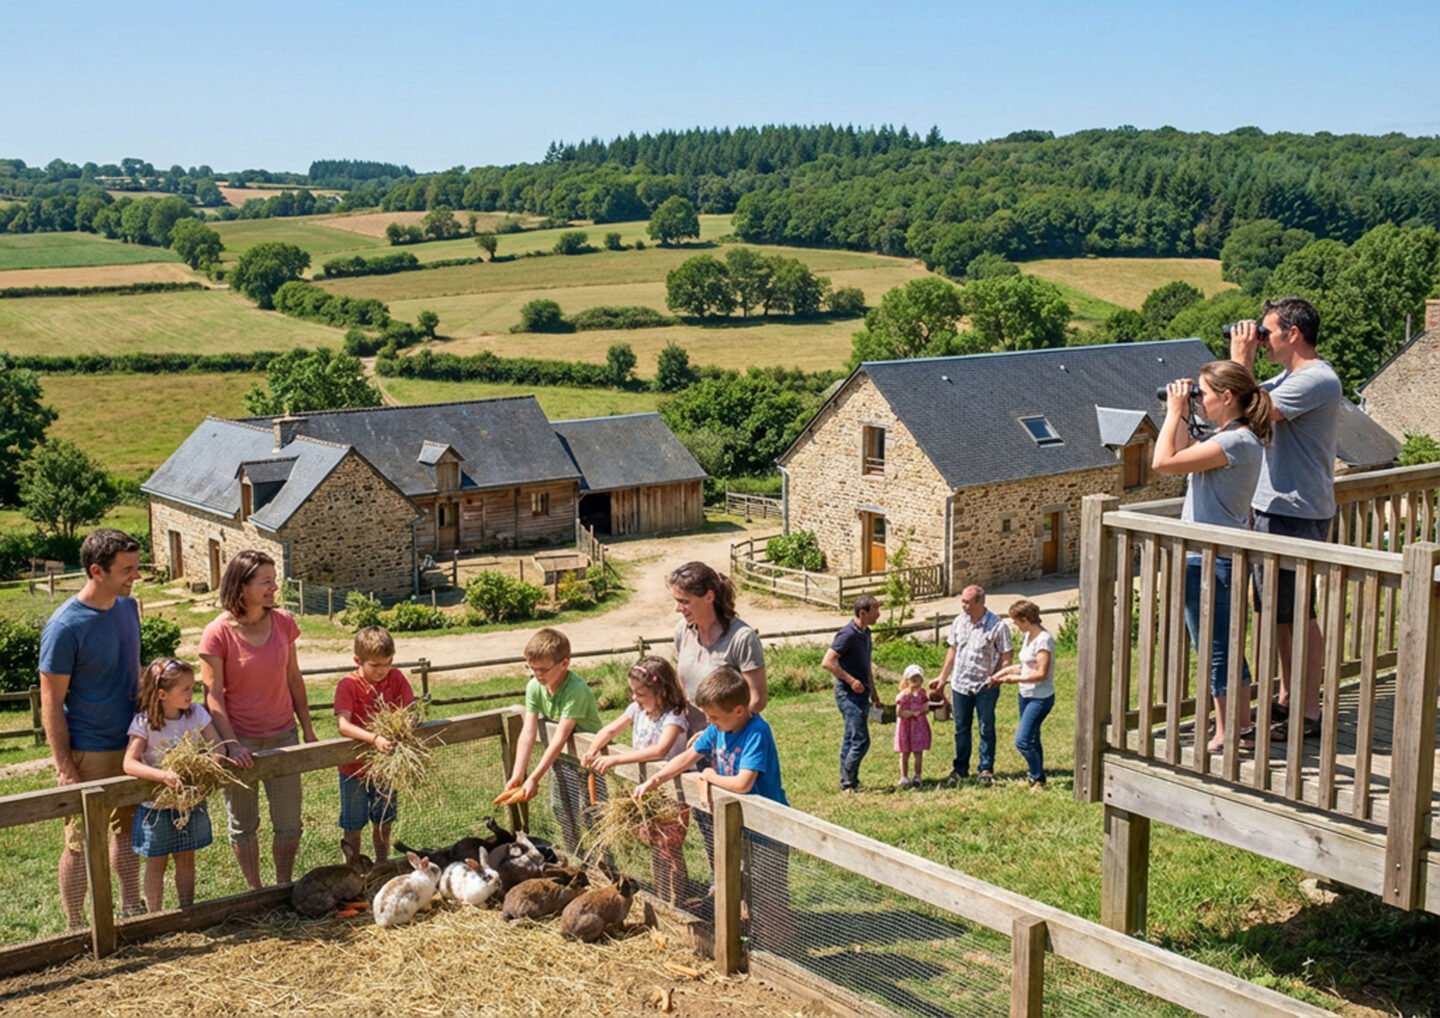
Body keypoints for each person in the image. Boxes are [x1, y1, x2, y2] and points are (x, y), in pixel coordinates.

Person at [1230, 297, 1341, 743]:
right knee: (1278, 613)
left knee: (1296, 614)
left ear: (1293, 333)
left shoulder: (1316, 379)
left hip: (1294, 511)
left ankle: (1306, 710)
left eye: (1267, 332)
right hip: (1276, 510)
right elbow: (1241, 403)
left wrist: (1241, 361)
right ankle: (1288, 697)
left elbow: (1253, 411)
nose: (1263, 340)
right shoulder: (1289, 377)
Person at [1151, 361, 1271, 752]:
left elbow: (1163, 461)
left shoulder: (1235, 442)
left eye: (1203, 394)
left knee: (1217, 648)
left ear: (1227, 397)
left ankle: (1227, 733)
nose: (1198, 400)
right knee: (1227, 645)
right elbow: (1182, 450)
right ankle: (1241, 726)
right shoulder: (1232, 438)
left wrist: (1173, 412)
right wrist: (1184, 412)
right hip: (1217, 556)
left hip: (1211, 559)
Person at [38, 528, 146, 924]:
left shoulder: (125, 607)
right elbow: (51, 701)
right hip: (89, 750)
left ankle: (132, 908)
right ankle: (74, 925)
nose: (136, 576)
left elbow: (132, 668)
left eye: (136, 567)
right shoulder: (65, 626)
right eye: (127, 570)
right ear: (97, 571)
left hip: (131, 743)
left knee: (128, 834)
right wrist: (65, 764)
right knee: (81, 844)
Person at [633, 667, 790, 936]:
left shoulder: (756, 733)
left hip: (766, 828)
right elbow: (688, 756)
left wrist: (709, 775)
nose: (708, 721)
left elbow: (743, 783)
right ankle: (751, 937)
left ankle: (775, 944)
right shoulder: (718, 729)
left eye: (714, 716)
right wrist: (655, 780)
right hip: (739, 825)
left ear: (739, 710)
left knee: (768, 891)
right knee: (741, 884)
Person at [199, 550, 316, 890]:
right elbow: (213, 696)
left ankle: (282, 886)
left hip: (283, 736)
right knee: (244, 823)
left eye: (273, 580)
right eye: (265, 582)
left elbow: (294, 678)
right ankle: (255, 890)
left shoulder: (283, 623)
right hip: (240, 743)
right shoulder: (217, 633)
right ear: (242, 585)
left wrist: (307, 729)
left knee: (289, 823)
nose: (273, 587)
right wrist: (231, 744)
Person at [582, 655, 690, 902]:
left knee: (669, 848)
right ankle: (663, 897)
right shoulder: (637, 710)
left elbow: (660, 750)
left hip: (670, 796)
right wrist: (593, 749)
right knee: (655, 846)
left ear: (660, 691)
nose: (634, 698)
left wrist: (616, 759)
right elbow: (610, 729)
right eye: (632, 692)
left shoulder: (673, 717)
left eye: (640, 693)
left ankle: (676, 900)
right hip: (646, 792)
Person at [122, 657, 224, 912]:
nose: (191, 693)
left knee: (186, 857)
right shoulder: (144, 723)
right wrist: (162, 775)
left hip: (190, 801)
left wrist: (210, 764)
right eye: (185, 689)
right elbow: (130, 763)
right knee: (156, 861)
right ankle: (155, 916)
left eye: (192, 687)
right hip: (157, 805)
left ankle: (186, 911)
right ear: (162, 694)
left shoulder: (197, 714)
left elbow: (216, 746)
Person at [504, 627, 603, 852]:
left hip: (589, 764)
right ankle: (575, 856)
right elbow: (528, 732)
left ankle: (605, 865)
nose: (537, 675)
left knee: (592, 816)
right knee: (560, 809)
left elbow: (560, 738)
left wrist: (535, 778)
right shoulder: (535, 687)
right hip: (562, 761)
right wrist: (519, 774)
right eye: (532, 668)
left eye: (543, 670)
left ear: (564, 664)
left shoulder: (575, 689)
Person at [334, 625, 415, 864]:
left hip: (386, 770)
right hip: (354, 770)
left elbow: (411, 710)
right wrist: (374, 739)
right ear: (358, 660)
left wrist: (409, 723)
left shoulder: (396, 678)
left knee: (383, 822)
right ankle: (353, 869)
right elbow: (344, 725)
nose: (382, 670)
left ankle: (382, 865)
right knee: (353, 824)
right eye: (375, 665)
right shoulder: (348, 685)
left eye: (387, 663)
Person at [669, 561, 767, 733]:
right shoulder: (682, 631)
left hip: (731, 739)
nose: (677, 609)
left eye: (684, 601)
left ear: (709, 596)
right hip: (693, 737)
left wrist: (714, 734)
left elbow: (757, 700)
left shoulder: (741, 638)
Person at [930, 585, 1012, 786]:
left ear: (979, 602)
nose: (963, 605)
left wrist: (998, 677)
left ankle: (985, 768)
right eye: (962, 601)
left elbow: (1007, 656)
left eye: (967, 602)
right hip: (960, 684)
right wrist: (942, 678)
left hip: (985, 686)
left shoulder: (997, 626)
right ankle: (960, 768)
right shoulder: (959, 622)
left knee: (986, 727)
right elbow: (953, 650)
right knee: (961, 727)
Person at [988, 600, 1057, 788]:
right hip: (1025, 695)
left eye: (1016, 621)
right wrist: (999, 675)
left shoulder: (1044, 640)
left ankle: (1037, 777)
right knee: (1033, 738)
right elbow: (1023, 666)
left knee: (1023, 740)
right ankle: (1036, 778)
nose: (1015, 625)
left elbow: (1041, 673)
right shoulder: (1028, 637)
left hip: (1040, 698)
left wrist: (1014, 680)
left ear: (1025, 619)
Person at [821, 595, 884, 792]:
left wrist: (874, 693)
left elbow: (866, 665)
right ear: (863, 613)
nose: (879, 614)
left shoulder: (866, 634)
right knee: (861, 740)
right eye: (875, 610)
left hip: (862, 694)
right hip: (847, 695)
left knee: (851, 738)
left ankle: (848, 782)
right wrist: (851, 681)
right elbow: (828, 661)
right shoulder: (847, 634)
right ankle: (848, 782)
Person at [893, 664, 932, 788]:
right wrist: (910, 713)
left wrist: (925, 707)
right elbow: (899, 712)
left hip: (918, 727)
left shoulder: (922, 694)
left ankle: (917, 775)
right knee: (905, 752)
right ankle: (904, 776)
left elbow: (926, 704)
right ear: (907, 681)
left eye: (919, 680)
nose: (916, 684)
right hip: (906, 727)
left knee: (918, 751)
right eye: (913, 680)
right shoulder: (903, 696)